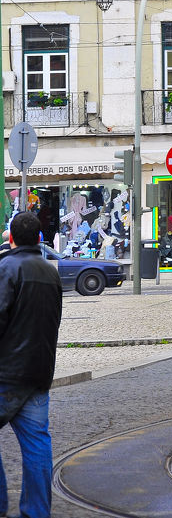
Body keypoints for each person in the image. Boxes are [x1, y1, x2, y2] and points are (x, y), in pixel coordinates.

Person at [0, 212, 63, 518]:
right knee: (37, 444)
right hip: (39, 371)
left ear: (11, 237)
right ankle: (36, 512)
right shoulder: (51, 272)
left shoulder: (6, 268)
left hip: (6, 373)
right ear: (39, 238)